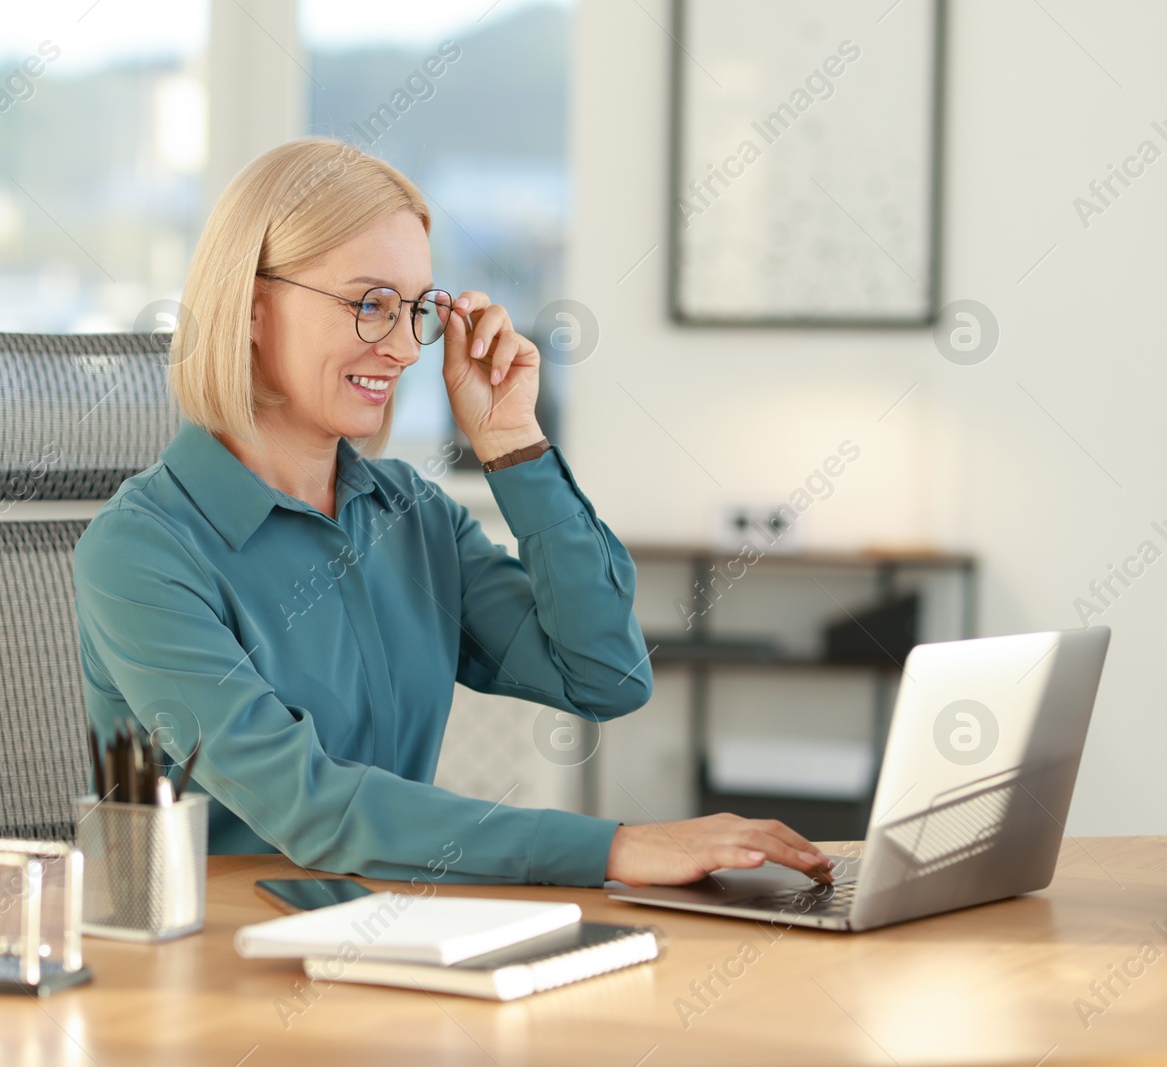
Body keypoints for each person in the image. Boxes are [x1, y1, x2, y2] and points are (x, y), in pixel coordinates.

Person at [73, 137, 833, 887]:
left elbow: (606, 676)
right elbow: (307, 806)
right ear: (251, 308)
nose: (406, 348)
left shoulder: (410, 516)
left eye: (416, 311)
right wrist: (614, 848)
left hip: (394, 941)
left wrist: (515, 447)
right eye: (371, 304)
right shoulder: (142, 553)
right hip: (209, 969)